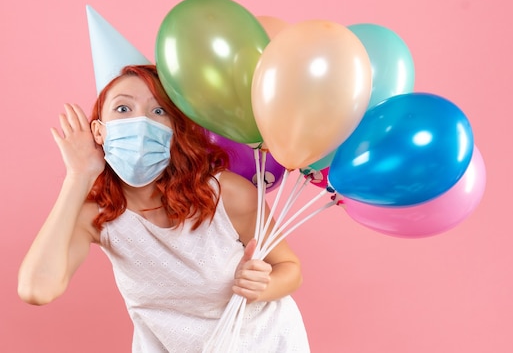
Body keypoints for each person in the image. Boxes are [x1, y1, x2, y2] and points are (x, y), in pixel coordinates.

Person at [18, 65, 310, 352]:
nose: (140, 124)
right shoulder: (98, 216)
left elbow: (289, 269)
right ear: (99, 131)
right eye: (123, 109)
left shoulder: (226, 193)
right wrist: (78, 176)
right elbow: (36, 289)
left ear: (175, 129)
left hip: (264, 342)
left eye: (159, 111)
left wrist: (263, 285)